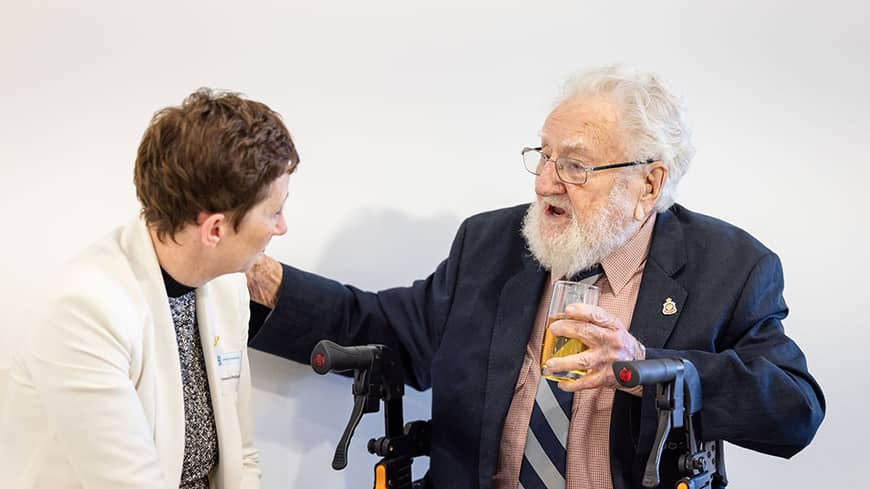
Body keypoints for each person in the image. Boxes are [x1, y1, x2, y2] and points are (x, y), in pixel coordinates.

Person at [245, 66, 825, 489]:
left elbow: (795, 411)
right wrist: (264, 281)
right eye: (544, 156)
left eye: (574, 165)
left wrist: (648, 368)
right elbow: (391, 331)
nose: (545, 182)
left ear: (648, 184)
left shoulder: (729, 268)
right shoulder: (491, 245)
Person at [0, 89, 299, 489]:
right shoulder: (84, 312)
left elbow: (242, 457)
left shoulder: (228, 285)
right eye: (274, 211)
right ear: (215, 229)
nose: (282, 227)